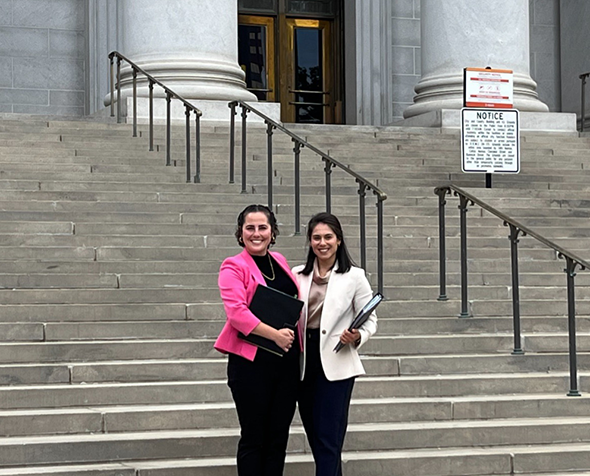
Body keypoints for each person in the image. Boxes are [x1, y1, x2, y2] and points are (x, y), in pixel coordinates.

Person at [215, 204, 301, 476]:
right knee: (254, 438)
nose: (256, 233)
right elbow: (237, 314)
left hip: (285, 364)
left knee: (278, 439)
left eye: (262, 227)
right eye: (249, 228)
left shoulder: (280, 261)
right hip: (251, 365)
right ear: (240, 233)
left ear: (272, 232)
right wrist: (275, 335)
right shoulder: (233, 266)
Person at [292, 212, 378, 476]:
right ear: (309, 242)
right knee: (316, 435)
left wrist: (357, 336)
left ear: (339, 240)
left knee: (329, 435)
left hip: (337, 360)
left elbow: (370, 320)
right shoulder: (297, 274)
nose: (322, 243)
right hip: (304, 361)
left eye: (328, 237)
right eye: (316, 237)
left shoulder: (354, 276)